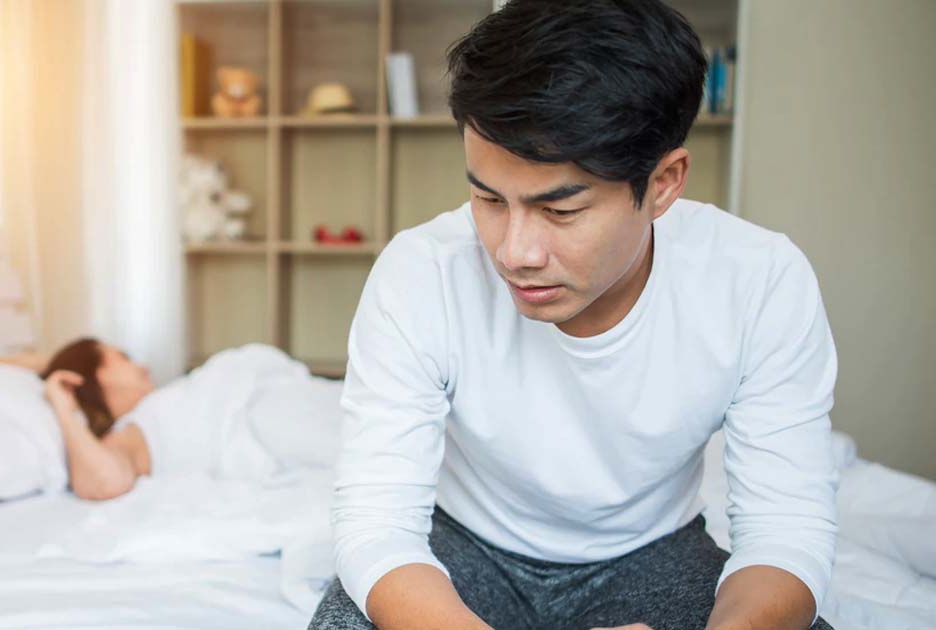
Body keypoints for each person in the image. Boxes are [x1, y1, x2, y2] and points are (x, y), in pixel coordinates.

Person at [308, 1, 837, 629]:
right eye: (488, 198)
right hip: (463, 549)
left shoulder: (759, 280)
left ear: (664, 182)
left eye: (561, 211)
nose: (515, 253)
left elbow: (786, 532)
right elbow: (376, 525)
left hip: (652, 557)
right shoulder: (421, 271)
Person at [32, 339, 341, 501]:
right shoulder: (126, 433)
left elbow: (35, 361)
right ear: (94, 376)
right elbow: (105, 482)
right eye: (123, 357)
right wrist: (64, 409)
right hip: (261, 419)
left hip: (275, 397)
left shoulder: (150, 406)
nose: (143, 365)